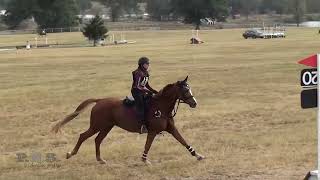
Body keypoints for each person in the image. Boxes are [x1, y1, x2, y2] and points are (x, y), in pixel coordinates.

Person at [131, 57, 158, 134]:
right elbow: (138, 86)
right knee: (141, 105)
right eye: (147, 64)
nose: (148, 65)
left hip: (142, 91)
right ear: (142, 64)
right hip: (136, 91)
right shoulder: (137, 73)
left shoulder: (146, 73)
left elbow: (147, 85)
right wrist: (148, 91)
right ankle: (142, 126)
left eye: (148, 63)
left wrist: (153, 91)